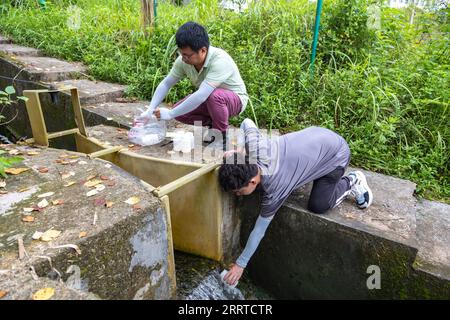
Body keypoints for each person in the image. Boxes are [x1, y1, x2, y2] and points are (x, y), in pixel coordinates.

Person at [218, 118, 373, 286]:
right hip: (318, 136)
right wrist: (238, 152)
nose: (238, 195)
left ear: (253, 182)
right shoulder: (255, 148)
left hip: (336, 154)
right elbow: (246, 122)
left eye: (239, 192)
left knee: (318, 205)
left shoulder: (276, 187)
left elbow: (259, 230)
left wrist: (241, 264)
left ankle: (352, 181)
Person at [139, 21, 248, 142]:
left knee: (213, 96)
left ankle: (220, 135)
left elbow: (201, 95)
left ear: (202, 50)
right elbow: (166, 83)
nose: (183, 58)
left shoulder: (220, 60)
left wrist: (170, 114)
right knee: (180, 111)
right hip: (209, 99)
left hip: (235, 101)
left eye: (187, 55)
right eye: (181, 54)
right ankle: (213, 123)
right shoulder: (183, 61)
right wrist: (150, 109)